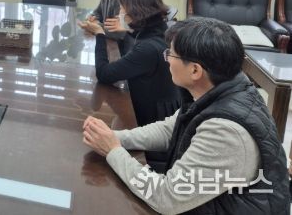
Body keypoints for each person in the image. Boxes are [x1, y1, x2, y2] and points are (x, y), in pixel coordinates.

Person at [82, 17, 290, 214]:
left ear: (195, 71)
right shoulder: (219, 88)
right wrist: (114, 137)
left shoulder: (226, 132)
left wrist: (113, 151)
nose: (167, 60)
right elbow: (169, 128)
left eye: (170, 55)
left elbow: (166, 197)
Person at [79, 0, 182, 128]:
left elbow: (104, 74)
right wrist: (130, 28)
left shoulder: (147, 49)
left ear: (135, 12)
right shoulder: (162, 31)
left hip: (156, 120)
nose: (119, 13)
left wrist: (99, 34)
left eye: (121, 8)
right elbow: (144, 36)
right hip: (168, 107)